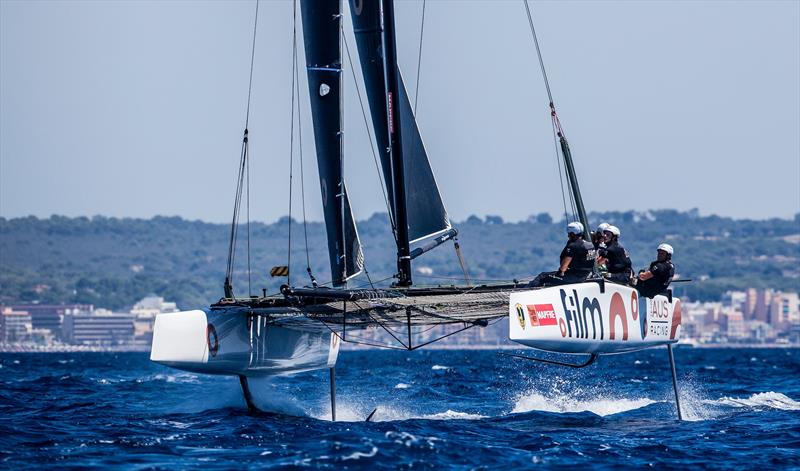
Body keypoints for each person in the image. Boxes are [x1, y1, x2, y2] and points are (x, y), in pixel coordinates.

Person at [529, 221, 597, 287]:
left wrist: (560, 272)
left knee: (543, 276)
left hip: (573, 278)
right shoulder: (590, 245)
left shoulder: (573, 246)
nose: (568, 236)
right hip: (584, 276)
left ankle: (527, 290)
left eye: (569, 233)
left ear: (573, 234)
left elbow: (563, 267)